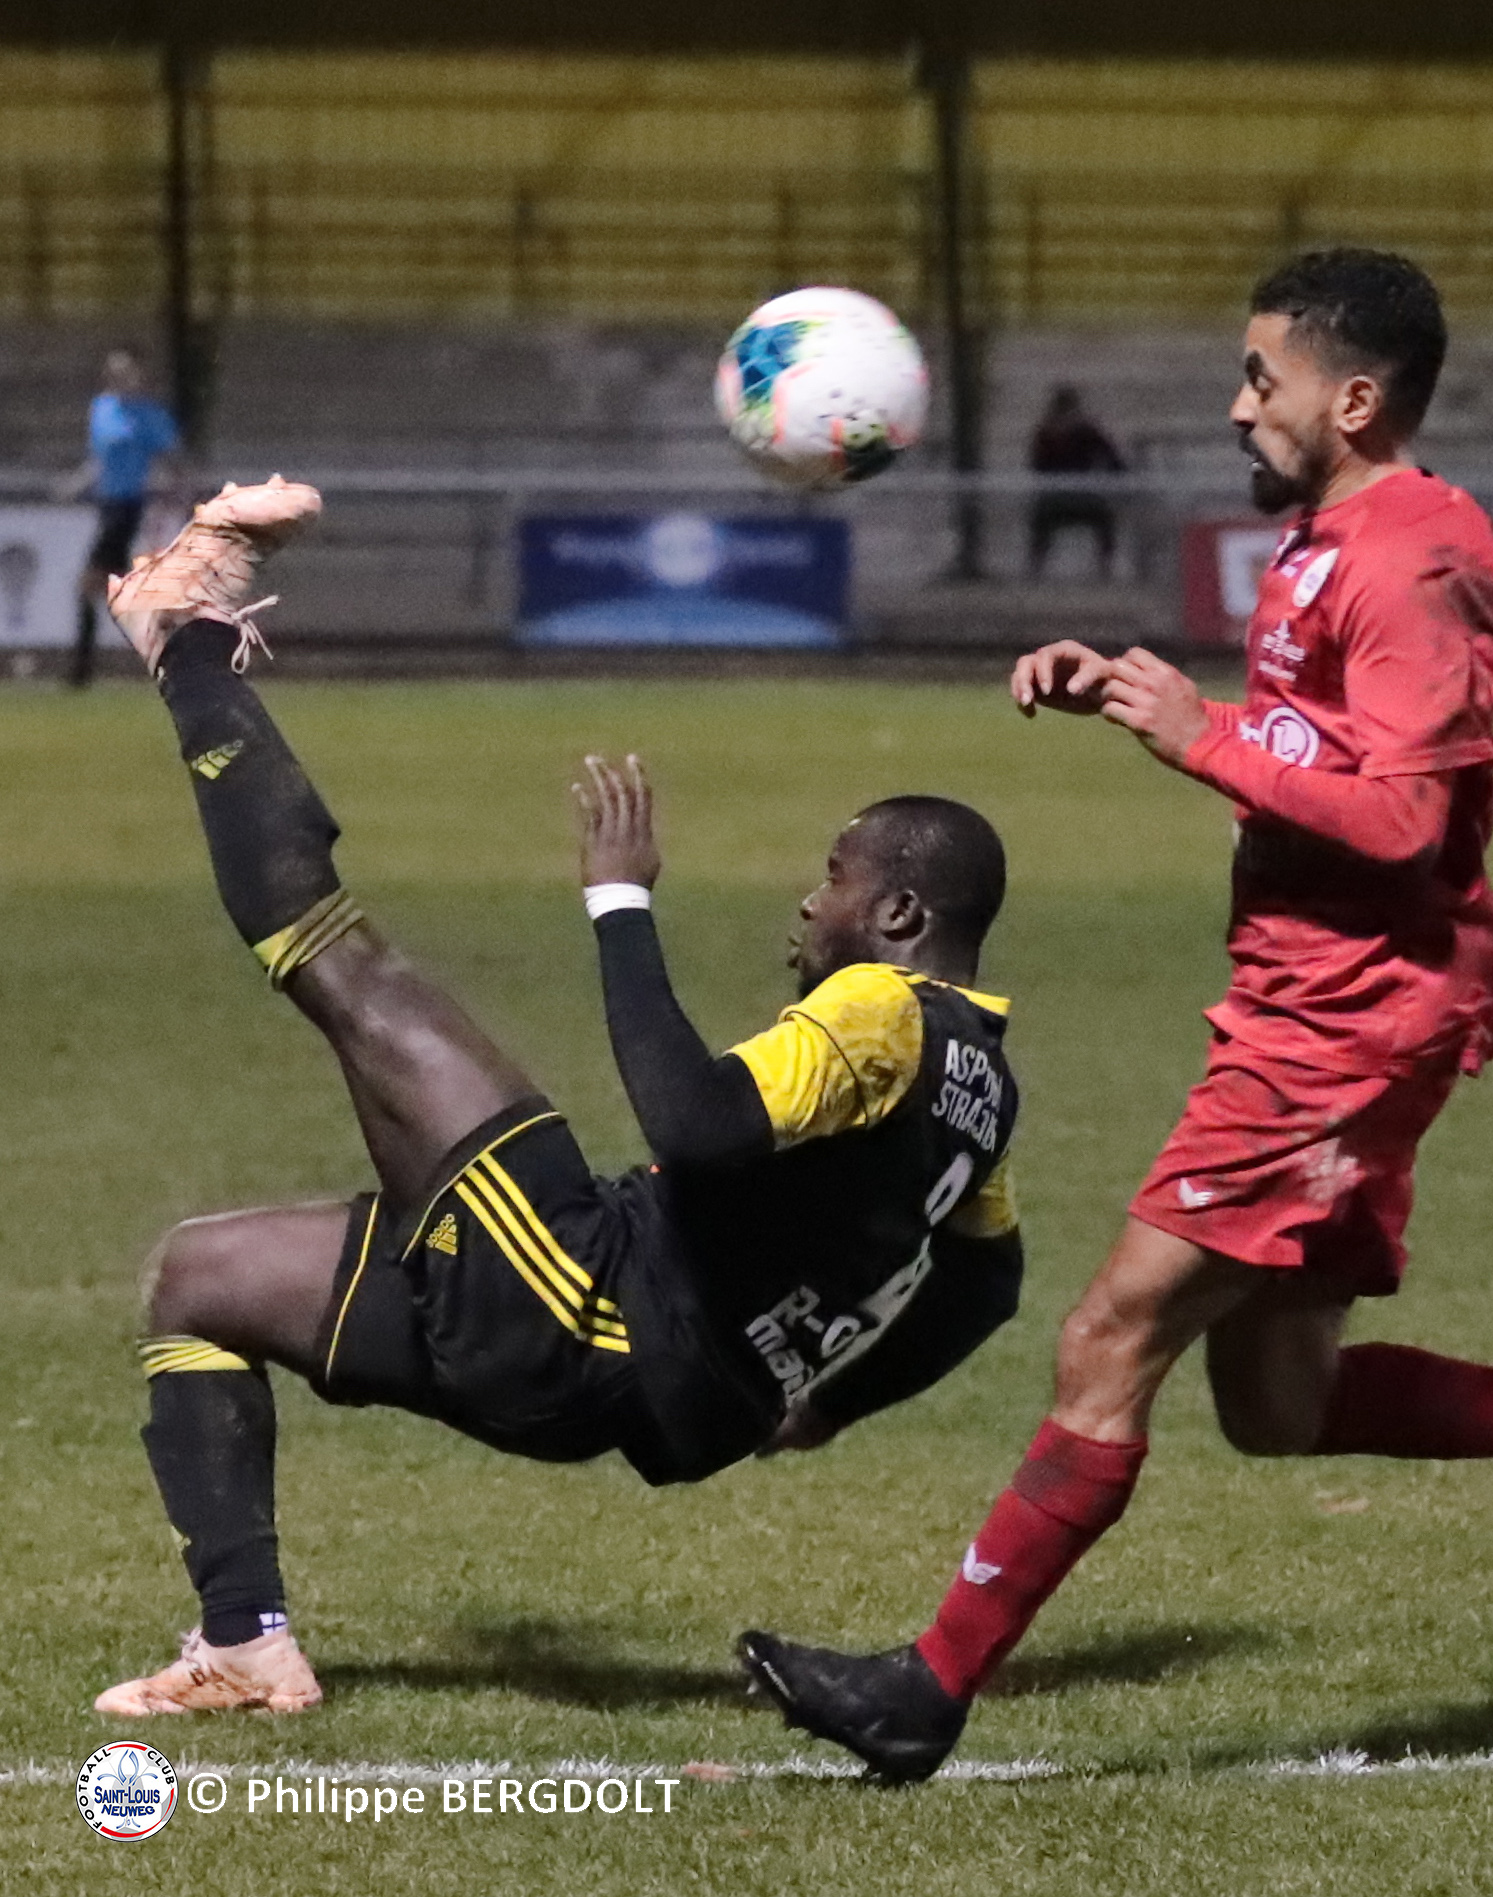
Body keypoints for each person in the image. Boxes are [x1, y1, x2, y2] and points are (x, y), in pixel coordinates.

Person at [738, 249, 1493, 1781]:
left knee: (1107, 1333)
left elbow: (1403, 820)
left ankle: (923, 1690)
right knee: (1277, 1402)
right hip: (1304, 999)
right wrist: (1147, 697)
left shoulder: (1414, 561)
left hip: (1348, 1023)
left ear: (1355, 398)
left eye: (1263, 377)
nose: (1237, 404)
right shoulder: (1329, 540)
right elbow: (1325, 746)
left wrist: (1198, 738)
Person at [92, 479, 1023, 1716]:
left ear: (900, 914)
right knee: (201, 1280)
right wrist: (822, 1405)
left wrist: (619, 900)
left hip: (587, 1301)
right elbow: (984, 1285)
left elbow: (693, 1126)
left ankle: (186, 635)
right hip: (630, 1363)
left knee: (342, 965)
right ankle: (243, 1643)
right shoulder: (985, 1082)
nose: (813, 901)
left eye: (835, 876)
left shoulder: (883, 1012)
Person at [64, 348, 182, 688]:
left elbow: (172, 459)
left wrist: (175, 493)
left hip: (129, 507)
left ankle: (81, 671)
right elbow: (100, 459)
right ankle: (166, 658)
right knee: (119, 592)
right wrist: (76, 483)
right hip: (108, 505)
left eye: (127, 371)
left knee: (90, 585)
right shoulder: (102, 408)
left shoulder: (149, 415)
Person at [1026, 386, 1126, 581]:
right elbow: (1037, 468)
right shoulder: (1047, 434)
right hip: (1057, 500)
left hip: (1082, 497)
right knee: (1041, 519)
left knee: (1104, 518)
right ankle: (1036, 567)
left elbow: (1113, 459)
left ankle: (1105, 567)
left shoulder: (1086, 431)